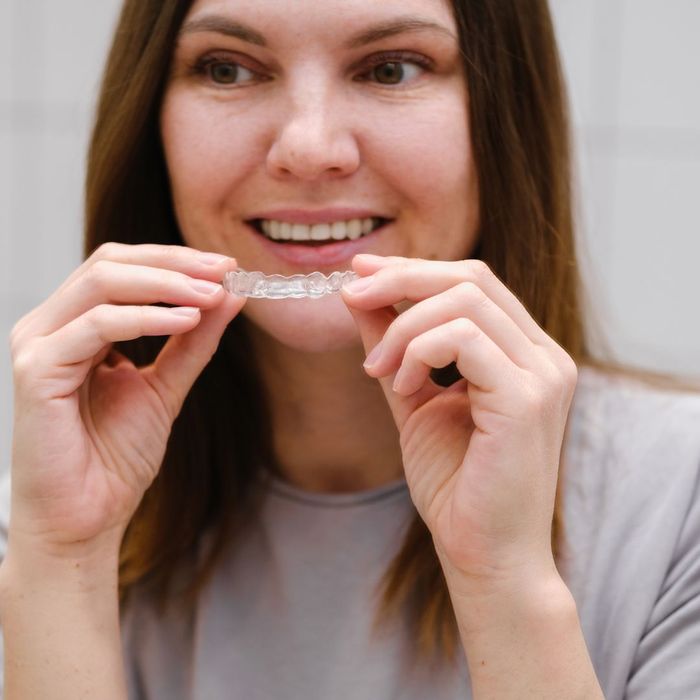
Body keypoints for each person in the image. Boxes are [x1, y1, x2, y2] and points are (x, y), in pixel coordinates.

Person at [1, 0, 699, 698]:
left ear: (502, 111)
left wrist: (506, 582)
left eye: (391, 69)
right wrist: (62, 563)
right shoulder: (41, 523)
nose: (309, 149)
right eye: (227, 69)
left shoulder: (678, 506)